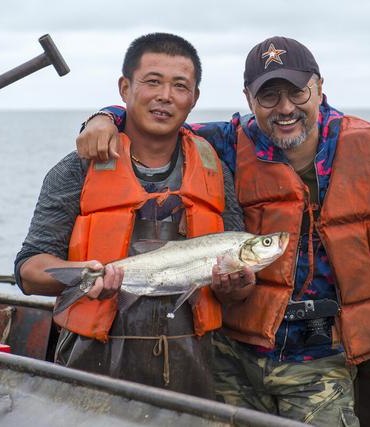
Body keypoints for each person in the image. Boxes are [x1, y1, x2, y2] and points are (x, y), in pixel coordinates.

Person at [78, 36, 370, 425]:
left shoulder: (367, 146)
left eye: (297, 92)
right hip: (233, 352)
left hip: (321, 357)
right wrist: (106, 117)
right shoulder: (225, 142)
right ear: (248, 99)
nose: (286, 108)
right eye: (269, 97)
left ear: (319, 87)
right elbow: (160, 122)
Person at [15, 33, 252, 399]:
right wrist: (86, 277)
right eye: (152, 81)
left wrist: (237, 286)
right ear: (125, 88)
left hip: (196, 368)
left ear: (194, 99)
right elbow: (29, 270)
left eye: (180, 86)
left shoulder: (216, 171)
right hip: (92, 363)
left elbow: (239, 290)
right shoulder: (77, 170)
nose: (165, 96)